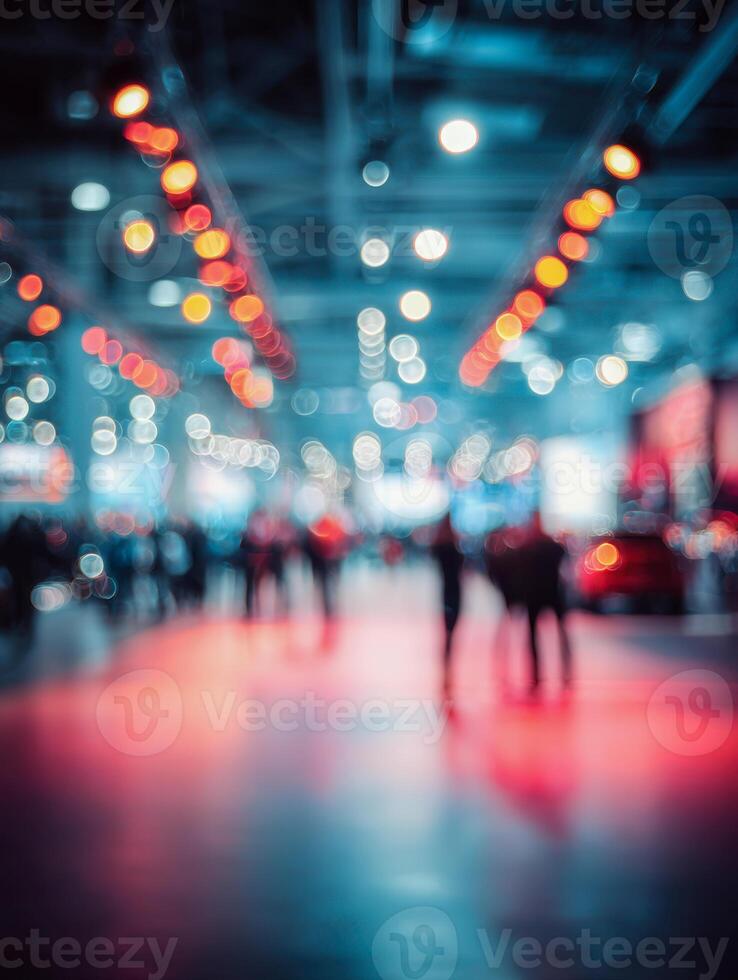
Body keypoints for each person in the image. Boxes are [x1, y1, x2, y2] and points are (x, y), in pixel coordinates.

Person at [516, 513, 572, 690]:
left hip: (535, 594)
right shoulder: (552, 545)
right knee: (561, 633)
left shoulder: (527, 547)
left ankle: (537, 675)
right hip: (552, 593)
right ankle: (565, 672)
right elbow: (563, 557)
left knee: (534, 635)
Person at [430, 514, 464, 695]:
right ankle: (447, 666)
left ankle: (446, 666)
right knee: (451, 632)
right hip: (455, 593)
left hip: (446, 594)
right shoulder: (453, 548)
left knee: (448, 632)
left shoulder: (440, 547)